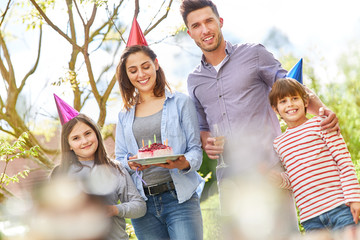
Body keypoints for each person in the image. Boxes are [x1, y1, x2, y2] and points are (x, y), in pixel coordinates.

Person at [115, 44, 204, 240]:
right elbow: (120, 159)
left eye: (145, 66)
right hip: (143, 204)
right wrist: (130, 163)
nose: (141, 74)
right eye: (133, 70)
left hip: (179, 198)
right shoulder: (124, 115)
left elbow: (195, 151)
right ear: (127, 75)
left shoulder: (181, 102)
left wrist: (182, 163)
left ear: (156, 64)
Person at [269, 78, 360, 234]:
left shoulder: (321, 124)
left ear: (305, 101)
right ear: (276, 109)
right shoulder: (279, 143)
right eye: (283, 101)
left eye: (294, 98)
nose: (290, 104)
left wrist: (354, 197)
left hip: (339, 207)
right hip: (311, 218)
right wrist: (280, 180)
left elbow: (344, 161)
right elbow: (295, 177)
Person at [51, 94, 146, 240]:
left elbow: (139, 207)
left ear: (96, 133)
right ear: (68, 145)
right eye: (76, 138)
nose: (84, 141)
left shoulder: (115, 168)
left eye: (88, 133)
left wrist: (114, 209)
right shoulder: (61, 173)